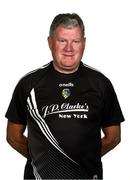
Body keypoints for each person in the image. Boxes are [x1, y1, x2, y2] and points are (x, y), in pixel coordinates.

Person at [5, 13, 125, 179]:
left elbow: (114, 137)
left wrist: (83, 159)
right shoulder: (28, 84)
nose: (69, 48)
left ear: (84, 44)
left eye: (75, 41)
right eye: (62, 41)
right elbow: (13, 136)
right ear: (50, 42)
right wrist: (45, 159)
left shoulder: (101, 83)